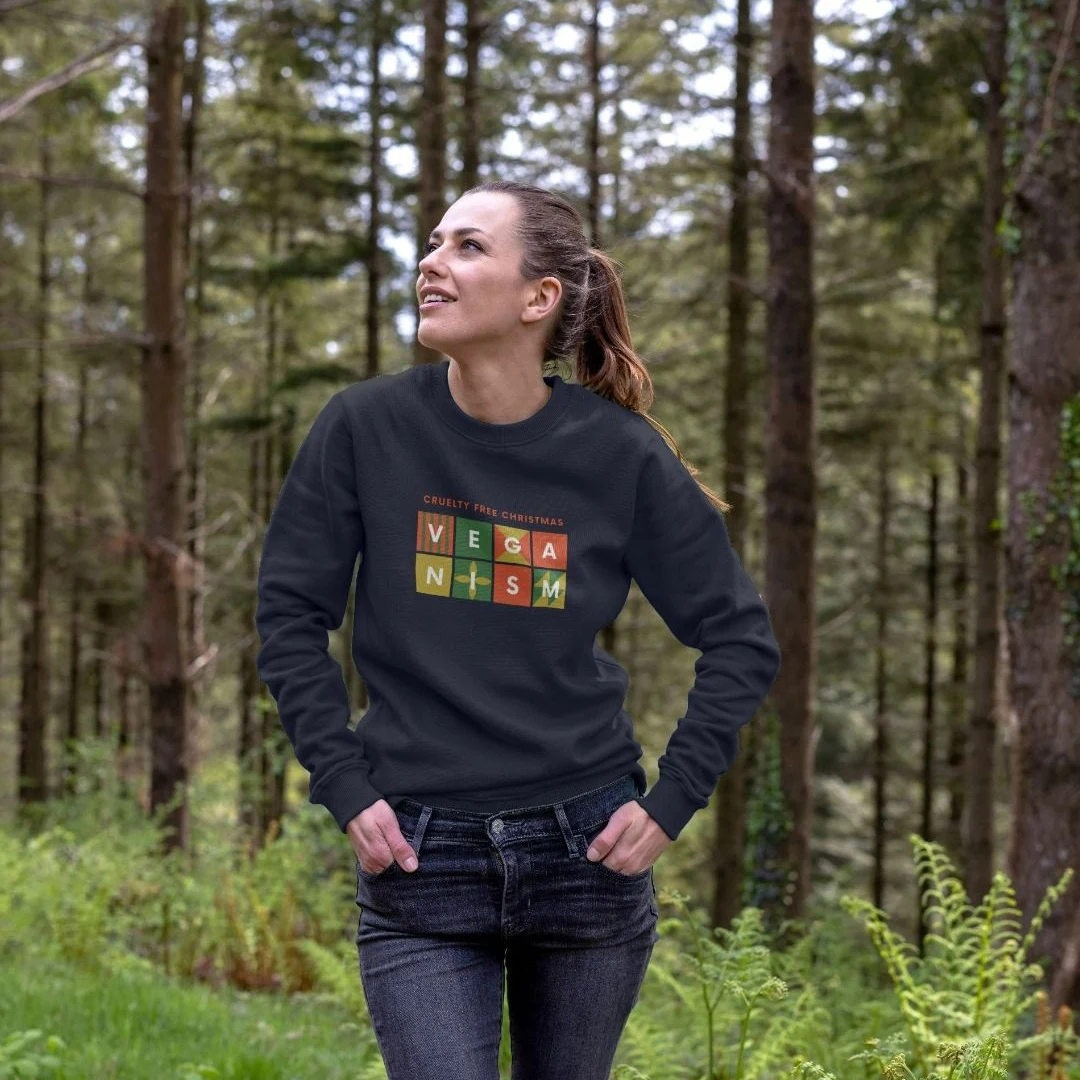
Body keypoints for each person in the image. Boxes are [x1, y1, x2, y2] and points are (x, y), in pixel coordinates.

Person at [254, 180, 781, 1080]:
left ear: (539, 298)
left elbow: (739, 637)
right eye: (433, 242)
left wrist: (671, 804)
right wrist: (342, 782)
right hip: (419, 858)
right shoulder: (363, 427)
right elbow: (289, 616)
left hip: (587, 855)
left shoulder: (619, 453)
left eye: (467, 246)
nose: (432, 261)